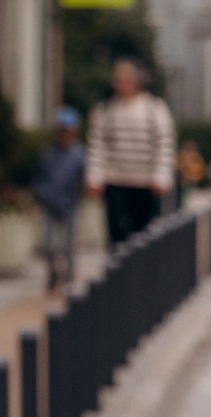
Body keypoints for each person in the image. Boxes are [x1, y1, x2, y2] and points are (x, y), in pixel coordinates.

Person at [86, 57, 173, 247]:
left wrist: (161, 176)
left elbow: (164, 145)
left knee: (143, 234)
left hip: (145, 181)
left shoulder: (154, 109)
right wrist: (95, 177)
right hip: (115, 179)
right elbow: (97, 145)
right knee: (116, 233)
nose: (120, 82)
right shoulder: (105, 110)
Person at [33, 107, 86, 290]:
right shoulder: (47, 154)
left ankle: (69, 280)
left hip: (70, 206)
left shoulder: (79, 155)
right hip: (50, 206)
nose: (65, 135)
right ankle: (53, 274)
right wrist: (42, 194)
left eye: (68, 131)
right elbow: (39, 178)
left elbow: (84, 180)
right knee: (47, 245)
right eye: (62, 130)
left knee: (69, 246)